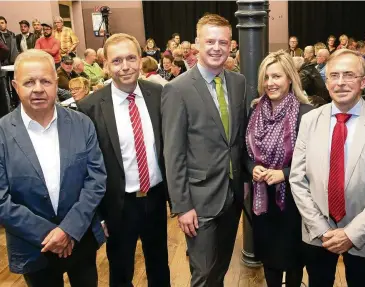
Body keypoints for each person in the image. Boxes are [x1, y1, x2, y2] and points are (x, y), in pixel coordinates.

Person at [290, 49, 365, 287]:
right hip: (318, 232)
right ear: (326, 80)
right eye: (334, 75)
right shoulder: (309, 121)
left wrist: (351, 234)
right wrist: (321, 229)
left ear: (363, 81)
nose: (340, 82)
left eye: (349, 75)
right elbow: (297, 179)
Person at [0, 49, 106, 286]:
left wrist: (68, 230)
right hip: (33, 245)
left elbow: (96, 180)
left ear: (56, 83)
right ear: (16, 86)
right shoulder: (2, 133)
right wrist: (51, 234)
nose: (38, 88)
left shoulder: (82, 124)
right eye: (29, 82)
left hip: (80, 237)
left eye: (45, 81)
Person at [77, 33, 171, 287]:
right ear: (105, 65)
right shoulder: (90, 107)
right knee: (120, 270)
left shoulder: (159, 94)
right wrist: (99, 215)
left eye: (131, 58)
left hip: (154, 197)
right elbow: (88, 167)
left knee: (160, 265)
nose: (125, 66)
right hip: (118, 205)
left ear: (141, 59)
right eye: (117, 61)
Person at [161, 14, 246, 287]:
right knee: (203, 274)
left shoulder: (238, 82)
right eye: (210, 41)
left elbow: (237, 139)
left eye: (223, 41)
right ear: (197, 43)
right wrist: (182, 206)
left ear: (231, 44)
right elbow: (173, 153)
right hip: (199, 201)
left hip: (232, 197)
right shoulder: (177, 89)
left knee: (220, 268)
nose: (217, 47)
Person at [244, 50, 312, 287]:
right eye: (267, 77)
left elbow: (312, 162)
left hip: (293, 201)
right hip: (263, 200)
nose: (270, 83)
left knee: (293, 260)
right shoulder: (255, 111)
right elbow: (246, 153)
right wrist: (253, 168)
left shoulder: (306, 114)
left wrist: (283, 174)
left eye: (277, 77)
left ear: (290, 78)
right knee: (269, 259)